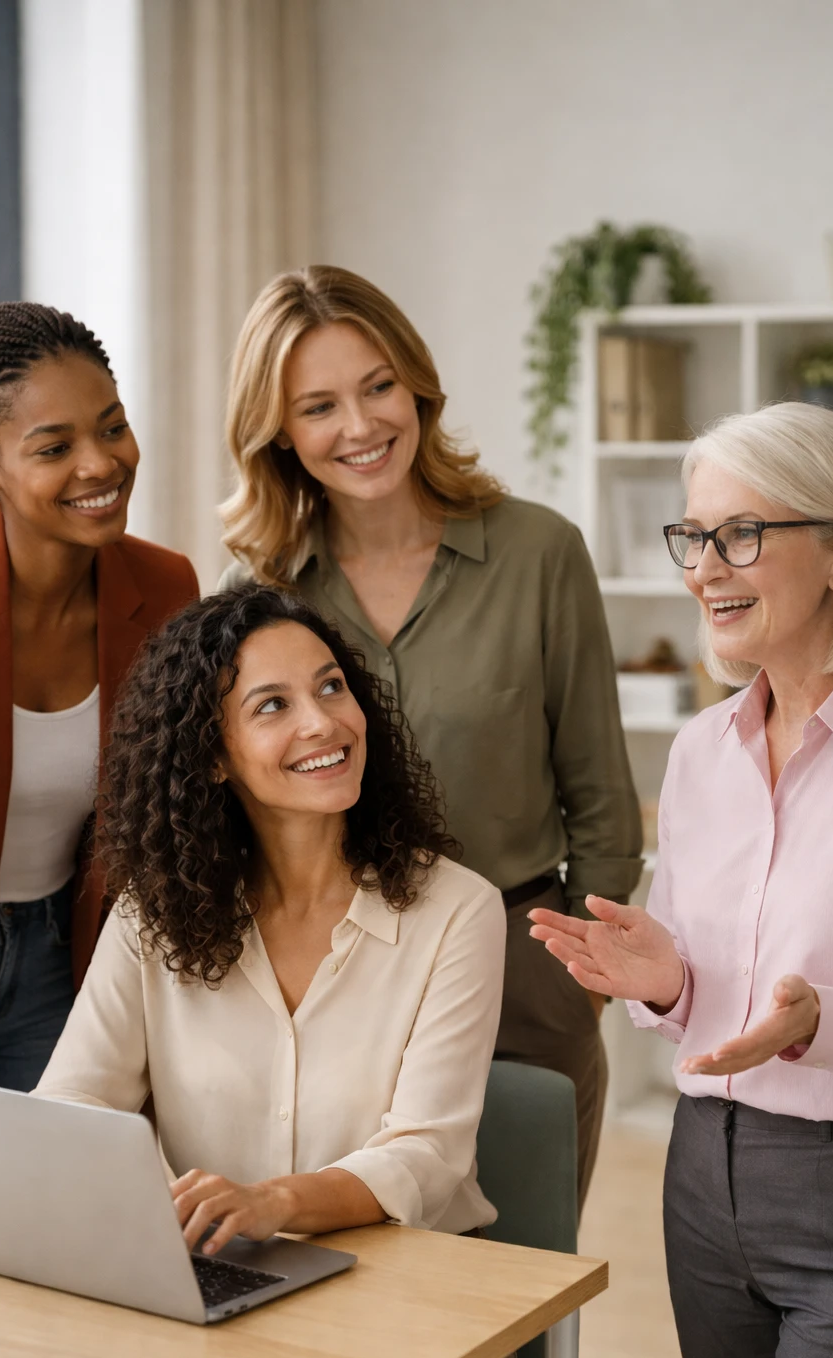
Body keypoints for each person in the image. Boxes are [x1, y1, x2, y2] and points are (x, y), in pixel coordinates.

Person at [34, 584, 514, 1358]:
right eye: (273, 705)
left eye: (332, 688)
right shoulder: (154, 916)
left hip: (414, 1331)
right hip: (215, 1311)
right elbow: (70, 1103)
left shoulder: (456, 910)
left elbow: (425, 1155)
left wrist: (271, 1204)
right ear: (211, 758)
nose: (323, 722)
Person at [531, 401, 833, 1358]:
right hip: (704, 1187)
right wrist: (664, 984)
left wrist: (820, 1024)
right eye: (693, 537)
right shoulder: (702, 753)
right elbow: (714, 999)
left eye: (743, 534)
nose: (707, 569)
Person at [217, 264, 642, 1213]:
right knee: (369, 1280)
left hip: (524, 974)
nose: (361, 427)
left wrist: (579, 985)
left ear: (417, 384)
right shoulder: (261, 593)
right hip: (342, 984)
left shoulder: (540, 553)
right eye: (318, 405)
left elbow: (602, 798)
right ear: (279, 432)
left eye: (377, 387)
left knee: (518, 1289)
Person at [0, 302, 198, 1179]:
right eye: (54, 446)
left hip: (56, 969)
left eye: (112, 427)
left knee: (49, 1222)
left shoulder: (164, 586)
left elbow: (163, 826)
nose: (101, 464)